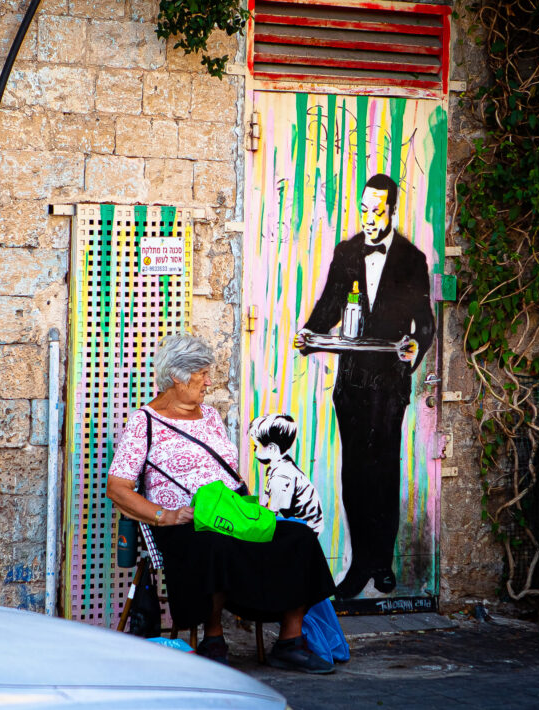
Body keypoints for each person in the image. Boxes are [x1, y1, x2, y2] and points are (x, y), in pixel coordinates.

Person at [107, 333, 337, 674]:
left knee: (299, 538)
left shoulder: (211, 416)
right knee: (214, 545)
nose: (208, 382)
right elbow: (118, 487)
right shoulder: (145, 422)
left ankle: (290, 641)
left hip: (228, 514)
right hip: (186, 525)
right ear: (177, 376)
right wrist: (166, 516)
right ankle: (213, 639)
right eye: (202, 374)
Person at [294, 173, 435, 599]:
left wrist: (416, 347)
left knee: (385, 470)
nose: (370, 219)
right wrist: (308, 335)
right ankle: (358, 565)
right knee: (354, 472)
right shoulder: (347, 252)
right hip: (352, 384)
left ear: (392, 210)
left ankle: (383, 561)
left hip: (390, 384)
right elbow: (328, 308)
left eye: (378, 211)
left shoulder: (411, 259)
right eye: (364, 210)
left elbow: (424, 324)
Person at [249, 414, 325, 536]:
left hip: (305, 530)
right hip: (301, 525)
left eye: (256, 446)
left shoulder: (282, 476)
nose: (253, 450)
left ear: (272, 449)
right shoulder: (280, 466)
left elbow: (272, 515)